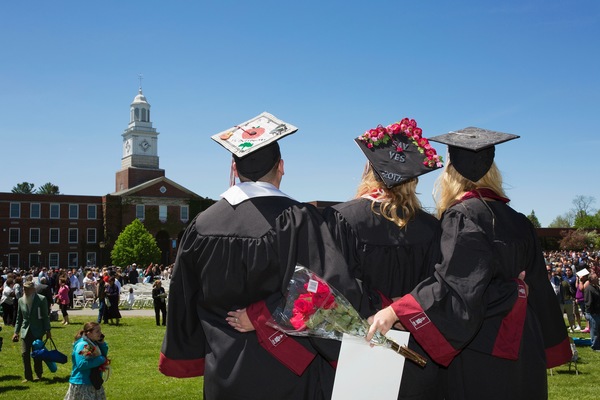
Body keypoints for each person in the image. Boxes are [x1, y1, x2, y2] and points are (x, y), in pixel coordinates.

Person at [159, 113, 364, 400]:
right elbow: (326, 292)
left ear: (234, 168)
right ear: (281, 167)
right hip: (289, 375)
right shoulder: (300, 220)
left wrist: (187, 352)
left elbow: (184, 296)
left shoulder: (202, 225)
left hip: (223, 372)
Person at [367, 127, 572, 399]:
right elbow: (539, 289)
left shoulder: (463, 215)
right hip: (524, 346)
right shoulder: (519, 221)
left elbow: (457, 287)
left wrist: (398, 311)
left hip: (482, 349)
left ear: (450, 172)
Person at [322, 117, 445, 399]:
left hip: (363, 346)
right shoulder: (432, 227)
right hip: (418, 350)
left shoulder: (341, 218)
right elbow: (440, 287)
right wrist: (403, 311)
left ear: (369, 170)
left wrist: (380, 311)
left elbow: (336, 288)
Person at [12, 280, 52, 383]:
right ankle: (28, 376)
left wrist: (48, 330)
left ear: (33, 289)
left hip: (37, 330)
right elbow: (19, 318)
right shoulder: (21, 300)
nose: (25, 290)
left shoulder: (41, 299)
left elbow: (45, 316)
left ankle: (39, 374)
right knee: (25, 353)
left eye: (27, 289)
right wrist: (16, 332)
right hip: (25, 330)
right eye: (24, 288)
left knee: (37, 354)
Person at [64, 321, 110, 400]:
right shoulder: (84, 345)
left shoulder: (92, 343)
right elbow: (81, 364)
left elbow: (102, 355)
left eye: (100, 330)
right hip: (82, 383)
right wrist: (101, 360)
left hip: (93, 381)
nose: (101, 333)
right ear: (89, 333)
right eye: (97, 331)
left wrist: (102, 344)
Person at [584, 271, 600, 351]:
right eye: (596, 278)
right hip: (593, 313)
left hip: (597, 312)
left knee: (598, 329)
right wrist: (591, 312)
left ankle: (598, 345)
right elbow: (588, 302)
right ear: (591, 279)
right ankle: (595, 346)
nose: (598, 278)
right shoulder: (589, 289)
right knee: (594, 330)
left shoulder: (596, 287)